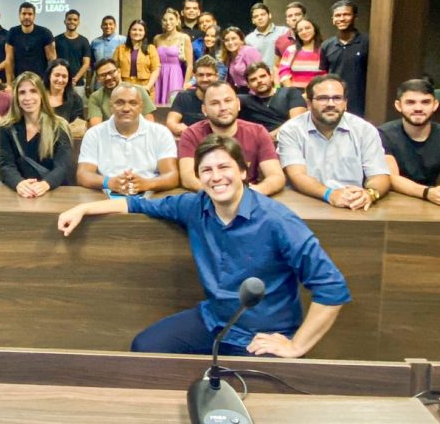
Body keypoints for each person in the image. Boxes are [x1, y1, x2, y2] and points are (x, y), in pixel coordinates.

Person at [58, 135, 351, 357]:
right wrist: (83, 209)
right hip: (214, 321)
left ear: (243, 171)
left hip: (261, 336)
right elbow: (135, 204)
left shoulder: (278, 221)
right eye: (207, 170)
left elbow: (332, 287)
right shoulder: (194, 205)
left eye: (224, 167)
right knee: (145, 348)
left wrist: (296, 346)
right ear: (199, 177)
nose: (216, 176)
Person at [277, 74, 391, 210]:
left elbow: (379, 174)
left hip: (354, 206)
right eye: (323, 98)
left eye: (337, 98)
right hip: (305, 205)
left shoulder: (365, 130)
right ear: (309, 104)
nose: (331, 104)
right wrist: (329, 194)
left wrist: (370, 194)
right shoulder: (291, 130)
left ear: (345, 103)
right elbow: (297, 175)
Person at [178, 82, 285, 196]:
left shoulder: (258, 132)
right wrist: (221, 193)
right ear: (204, 109)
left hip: (249, 195)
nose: (223, 108)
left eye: (228, 101)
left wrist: (250, 193)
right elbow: (188, 178)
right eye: (215, 103)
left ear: (238, 104)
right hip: (208, 196)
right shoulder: (191, 134)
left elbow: (276, 176)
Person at [77, 83, 178, 196]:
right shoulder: (94, 134)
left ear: (141, 107)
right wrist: (109, 182)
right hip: (106, 194)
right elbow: (83, 174)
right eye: (120, 103)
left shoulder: (161, 133)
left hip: (150, 195)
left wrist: (146, 184)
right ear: (111, 106)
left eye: (133, 103)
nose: (126, 108)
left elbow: (172, 176)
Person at [0, 72, 75, 197]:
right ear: (16, 98)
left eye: (33, 91)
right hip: (20, 190)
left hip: (52, 190)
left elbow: (62, 166)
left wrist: (45, 184)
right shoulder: (7, 127)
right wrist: (19, 183)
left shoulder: (59, 126)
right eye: (22, 92)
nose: (28, 97)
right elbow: (7, 165)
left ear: (41, 95)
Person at [319, 0, 369, 116]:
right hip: (335, 99)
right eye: (337, 15)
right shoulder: (327, 45)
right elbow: (324, 73)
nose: (341, 19)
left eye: (346, 14)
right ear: (333, 19)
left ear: (355, 17)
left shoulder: (367, 42)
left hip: (361, 101)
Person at [237, 62, 307, 137]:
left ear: (271, 77)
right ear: (248, 85)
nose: (259, 81)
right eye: (253, 79)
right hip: (261, 142)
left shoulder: (290, 92)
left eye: (263, 76)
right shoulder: (245, 101)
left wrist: (269, 136)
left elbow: (297, 122)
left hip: (291, 138)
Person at [87, 58, 156, 126]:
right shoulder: (96, 97)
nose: (108, 77)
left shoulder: (139, 91)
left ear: (119, 72)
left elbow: (149, 123)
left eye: (111, 72)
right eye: (103, 75)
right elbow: (96, 127)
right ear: (98, 79)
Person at [165, 55, 221, 135]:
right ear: (195, 76)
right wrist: (177, 127)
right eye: (201, 75)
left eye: (209, 75)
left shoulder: (224, 99)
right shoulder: (183, 97)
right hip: (190, 139)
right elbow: (171, 122)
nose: (205, 79)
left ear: (216, 77)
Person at [5, 1, 55, 83]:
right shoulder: (12, 32)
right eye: (24, 14)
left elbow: (52, 60)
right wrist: (9, 84)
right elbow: (9, 60)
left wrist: (49, 83)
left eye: (30, 14)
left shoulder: (45, 33)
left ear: (34, 16)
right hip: (19, 81)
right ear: (19, 15)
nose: (27, 17)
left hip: (40, 81)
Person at [152, 8, 193, 104]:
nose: (168, 22)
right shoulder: (157, 38)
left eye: (171, 19)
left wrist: (185, 85)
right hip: (159, 76)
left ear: (177, 21)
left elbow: (190, 65)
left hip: (175, 75)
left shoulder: (184, 38)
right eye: (165, 20)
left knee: (174, 102)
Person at [113, 19, 160, 97]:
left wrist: (148, 87)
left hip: (145, 88)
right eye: (134, 29)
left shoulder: (151, 48)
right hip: (125, 88)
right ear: (129, 31)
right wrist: (120, 84)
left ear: (144, 33)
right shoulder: (120, 49)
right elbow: (115, 68)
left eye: (140, 30)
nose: (137, 32)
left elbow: (156, 69)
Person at [277, 17, 325, 90]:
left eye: (307, 28)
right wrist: (292, 92)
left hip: (320, 92)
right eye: (300, 30)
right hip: (296, 92)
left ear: (315, 29)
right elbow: (283, 72)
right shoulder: (291, 50)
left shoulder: (325, 49)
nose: (304, 32)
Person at [53, 9, 92, 89]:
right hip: (60, 82)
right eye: (69, 19)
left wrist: (75, 79)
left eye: (75, 20)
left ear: (78, 22)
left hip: (78, 83)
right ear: (65, 21)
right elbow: (53, 61)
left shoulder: (84, 41)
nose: (72, 22)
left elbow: (86, 63)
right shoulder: (56, 40)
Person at [44, 59, 85, 132]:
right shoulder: (39, 96)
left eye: (64, 76)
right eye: (57, 75)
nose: (60, 80)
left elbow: (79, 125)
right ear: (49, 75)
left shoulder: (75, 99)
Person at [219, 26, 263, 94]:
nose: (230, 42)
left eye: (233, 38)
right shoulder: (229, 56)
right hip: (239, 91)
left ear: (241, 40)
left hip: (254, 91)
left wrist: (253, 96)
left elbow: (258, 75)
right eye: (227, 40)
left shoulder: (249, 51)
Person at [245, 3, 287, 70]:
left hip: (281, 73)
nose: (260, 18)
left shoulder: (283, 32)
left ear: (269, 15)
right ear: (253, 20)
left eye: (262, 14)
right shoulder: (249, 39)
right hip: (260, 75)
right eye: (256, 16)